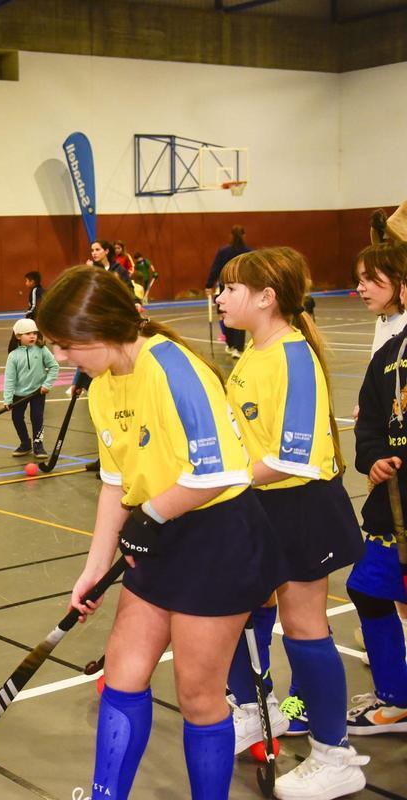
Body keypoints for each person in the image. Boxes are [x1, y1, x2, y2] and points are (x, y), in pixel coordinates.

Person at [37, 265, 283, 800]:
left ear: (99, 329)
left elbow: (216, 472)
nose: (61, 358)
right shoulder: (102, 386)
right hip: (161, 529)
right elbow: (113, 485)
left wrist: (151, 516)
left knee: (198, 697)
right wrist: (93, 568)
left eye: (65, 345)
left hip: (216, 538)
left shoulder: (173, 367)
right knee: (123, 675)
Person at [215, 247, 368, 797]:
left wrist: (213, 485)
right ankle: (261, 711)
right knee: (228, 610)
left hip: (300, 506)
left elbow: (290, 458)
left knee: (305, 629)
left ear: (266, 296)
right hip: (256, 503)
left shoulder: (294, 357)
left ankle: (335, 755)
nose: (219, 297)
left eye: (230, 288)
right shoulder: (253, 353)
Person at [345, 240, 407, 740]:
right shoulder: (387, 351)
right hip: (392, 505)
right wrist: (373, 459)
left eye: (372, 278)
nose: (360, 287)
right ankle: (396, 698)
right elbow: (368, 423)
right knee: (368, 588)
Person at [2, 318, 58, 458]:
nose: (32, 336)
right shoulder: (13, 356)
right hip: (19, 394)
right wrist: (8, 399)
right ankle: (25, 444)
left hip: (38, 392)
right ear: (18, 336)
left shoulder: (41, 350)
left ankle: (38, 445)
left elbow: (54, 367)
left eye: (34, 333)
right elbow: (9, 379)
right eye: (28, 333)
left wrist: (47, 384)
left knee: (36, 417)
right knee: (17, 418)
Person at [206, 225, 251, 358]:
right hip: (242, 291)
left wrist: (209, 285)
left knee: (226, 316)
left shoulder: (223, 251)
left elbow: (215, 269)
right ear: (244, 235)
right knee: (240, 318)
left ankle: (231, 344)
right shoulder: (248, 252)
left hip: (225, 290)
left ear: (231, 236)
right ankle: (237, 348)